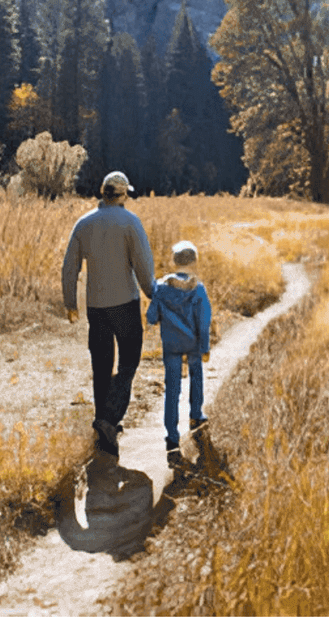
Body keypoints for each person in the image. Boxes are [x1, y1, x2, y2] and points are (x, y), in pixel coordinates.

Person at [61, 170, 157, 459]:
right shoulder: (130, 222)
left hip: (96, 307)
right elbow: (143, 266)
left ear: (102, 193)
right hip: (125, 304)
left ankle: (104, 433)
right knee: (129, 362)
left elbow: (69, 267)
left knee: (101, 366)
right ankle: (109, 419)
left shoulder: (84, 223)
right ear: (124, 194)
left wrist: (70, 303)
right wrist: (155, 294)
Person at [148, 239, 212, 464]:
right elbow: (204, 322)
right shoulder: (198, 288)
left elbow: (151, 317)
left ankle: (172, 438)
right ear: (194, 261)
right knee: (197, 378)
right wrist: (205, 347)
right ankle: (196, 416)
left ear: (174, 261)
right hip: (193, 343)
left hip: (172, 344)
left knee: (172, 389)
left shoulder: (161, 287)